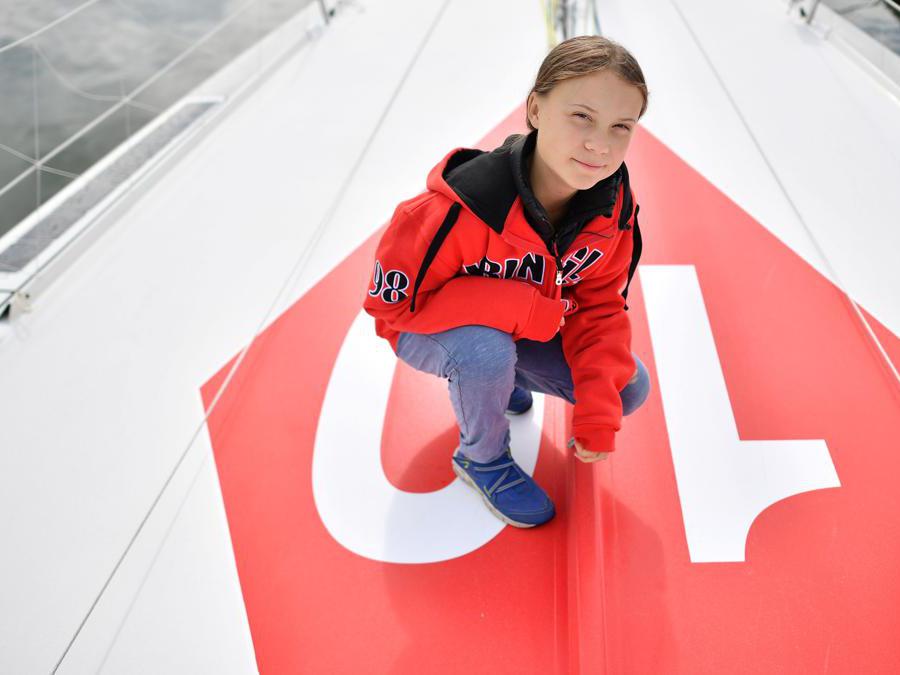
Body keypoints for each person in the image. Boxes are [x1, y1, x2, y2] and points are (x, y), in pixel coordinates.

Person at [362, 35, 651, 528]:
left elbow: (600, 307)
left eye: (620, 126)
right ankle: (482, 457)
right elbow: (392, 311)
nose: (600, 145)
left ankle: (504, 378)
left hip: (523, 328)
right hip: (426, 328)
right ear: (535, 109)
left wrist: (597, 414)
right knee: (484, 353)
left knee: (626, 389)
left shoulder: (612, 211)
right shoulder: (449, 211)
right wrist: (519, 310)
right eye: (581, 116)